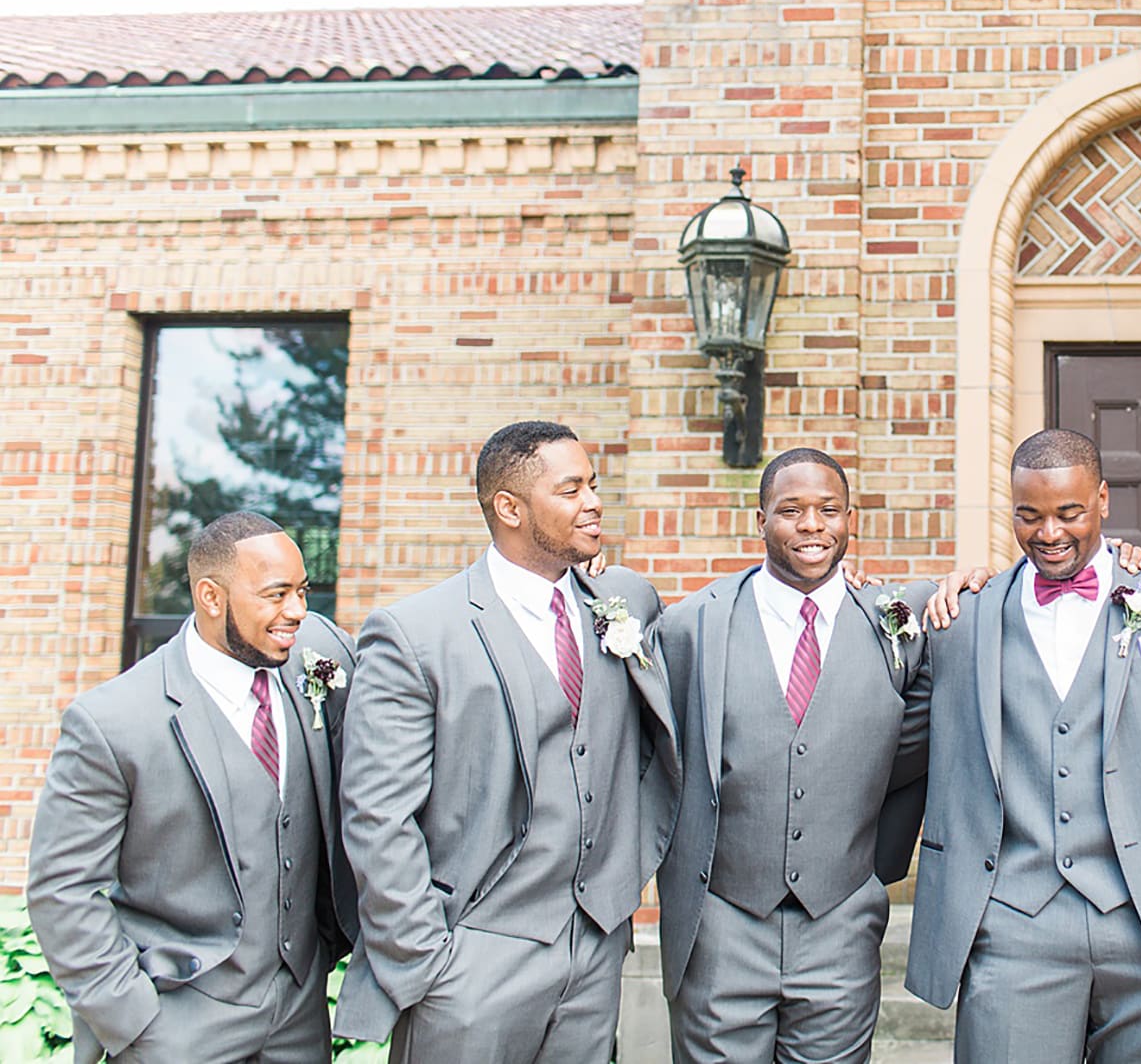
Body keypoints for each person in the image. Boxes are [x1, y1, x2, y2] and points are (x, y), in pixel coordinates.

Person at [906, 428, 1141, 1062]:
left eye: (1069, 512)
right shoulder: (962, 617)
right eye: (1029, 515)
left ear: (1102, 499)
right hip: (1016, 922)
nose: (1049, 533)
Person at [333, 421, 680, 1063]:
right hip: (471, 957)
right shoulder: (416, 635)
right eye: (571, 489)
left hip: (596, 945)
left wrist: (828, 586)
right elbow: (377, 815)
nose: (594, 502)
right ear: (510, 507)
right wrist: (427, 963)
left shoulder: (625, 600)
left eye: (594, 485)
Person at [28, 511, 358, 1063]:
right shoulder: (113, 721)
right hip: (177, 1024)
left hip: (299, 1017)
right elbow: (61, 890)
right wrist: (134, 1020)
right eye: (276, 594)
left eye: (302, 591)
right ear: (211, 596)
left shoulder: (316, 652)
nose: (298, 611)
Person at [650, 447, 933, 1064]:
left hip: (841, 921)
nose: (812, 525)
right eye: (792, 510)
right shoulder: (692, 627)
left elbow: (912, 750)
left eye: (829, 510)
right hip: (721, 923)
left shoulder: (900, 626)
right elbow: (657, 761)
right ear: (760, 521)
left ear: (851, 519)